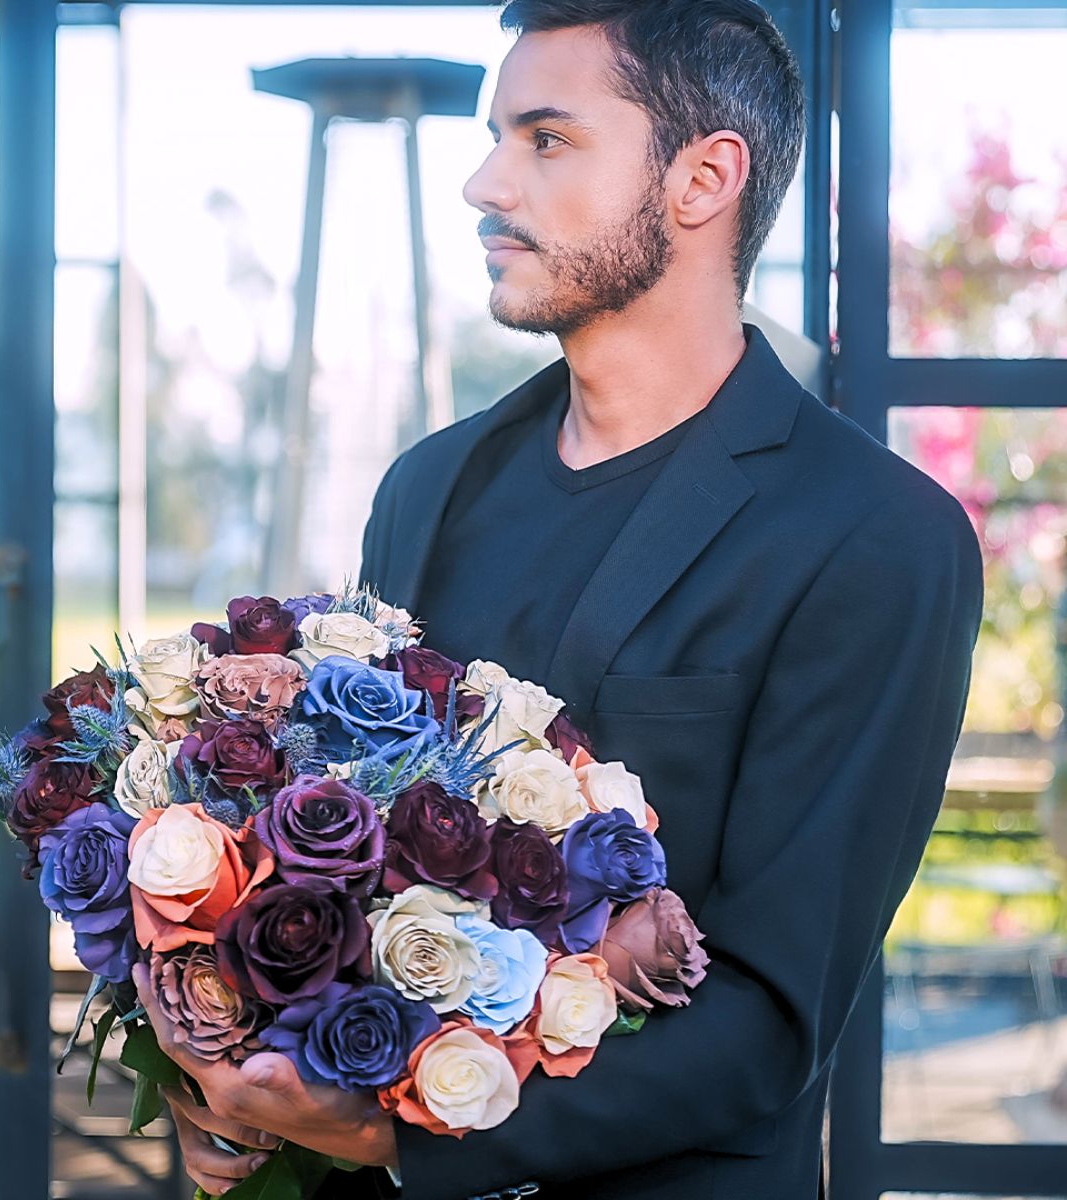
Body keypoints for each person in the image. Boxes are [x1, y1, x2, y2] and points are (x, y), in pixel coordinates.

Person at [136, 2, 985, 1197]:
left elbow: (771, 1018)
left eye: (546, 138)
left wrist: (394, 1138)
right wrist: (250, 1088)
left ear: (704, 178)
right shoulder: (428, 485)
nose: (485, 182)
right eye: (497, 136)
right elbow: (340, 875)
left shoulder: (878, 538)